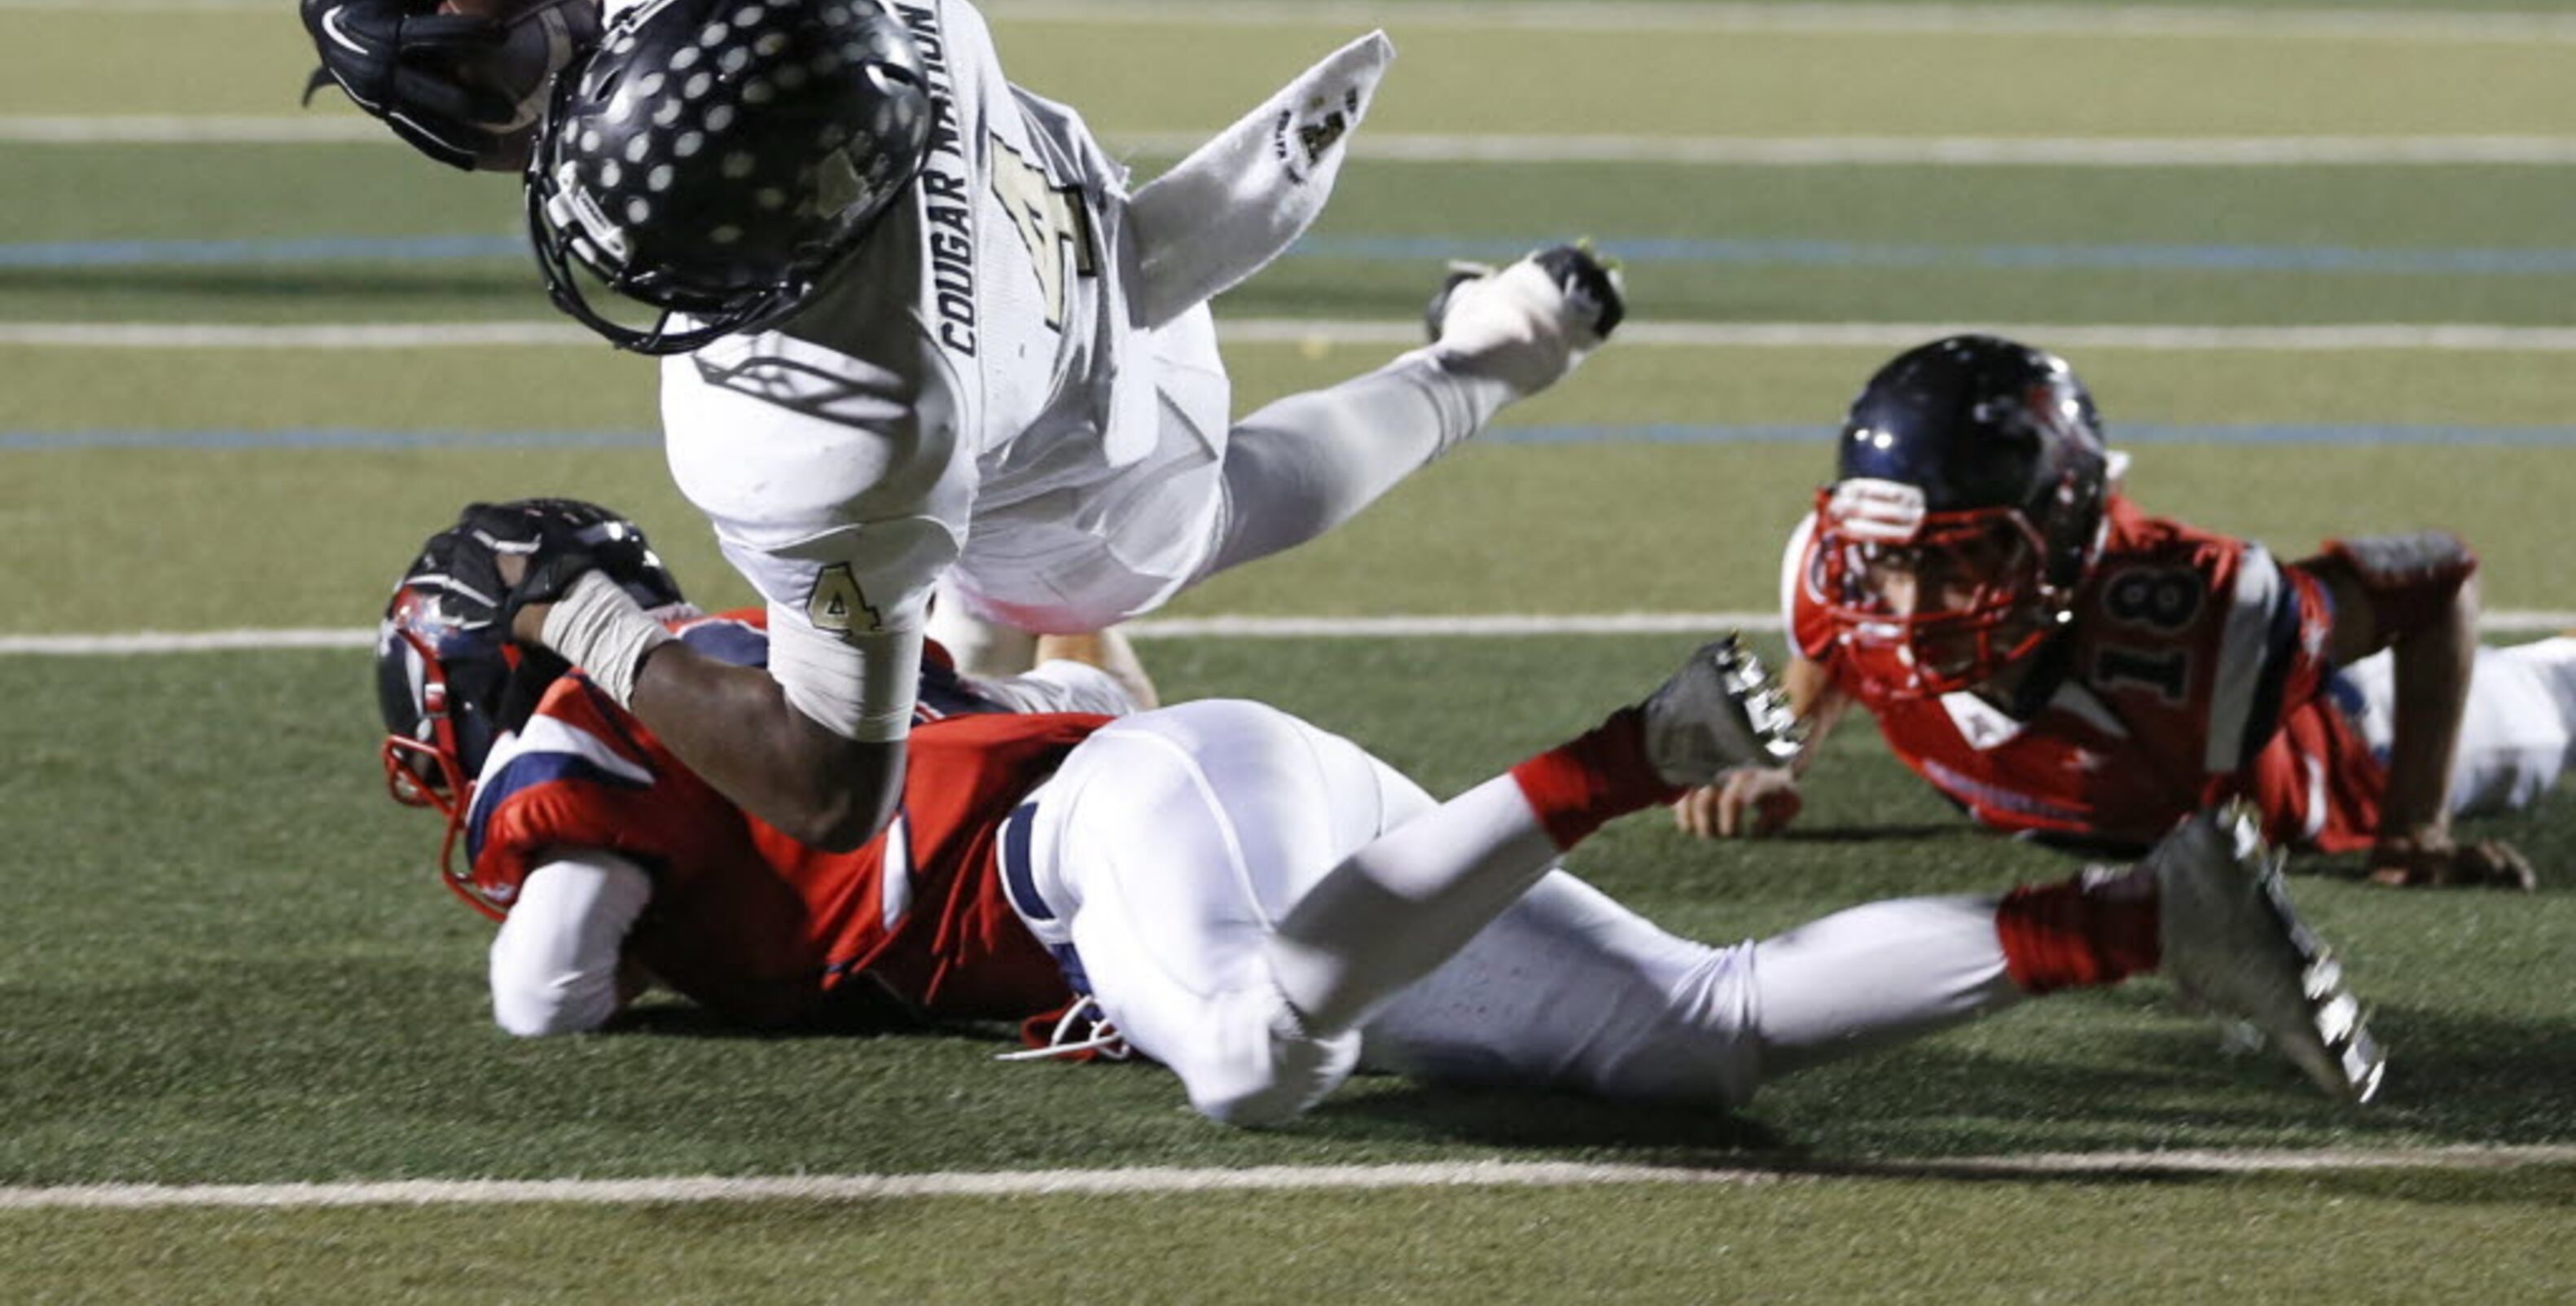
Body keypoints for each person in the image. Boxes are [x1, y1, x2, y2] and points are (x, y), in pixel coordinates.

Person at [307, 0, 1624, 855]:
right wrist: (421, 8)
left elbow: (830, 784)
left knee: (1199, 519)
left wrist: (587, 618)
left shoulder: (820, 424)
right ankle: (1505, 336)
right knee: (955, 549)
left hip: (1099, 456)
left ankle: (1493, 358)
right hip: (1076, 228)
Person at [377, 499, 2388, 1119]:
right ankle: (2136, 921)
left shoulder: (581, 728)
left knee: (1255, 1061)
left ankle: (1623, 753)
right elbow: (1062, 672)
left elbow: (550, 993)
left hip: (1118, 830)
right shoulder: (761, 671)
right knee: (1691, 1038)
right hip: (1208, 787)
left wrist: (648, 954)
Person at [1674, 333, 2569, 892]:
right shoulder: (1841, 574)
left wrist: (2414, 825)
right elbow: (1836, 647)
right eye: (1891, 561)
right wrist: (1780, 752)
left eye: (1955, 563)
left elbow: (2440, 577)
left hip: (2348, 747)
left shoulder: (2206, 616)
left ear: (2060, 534)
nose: (1906, 609)